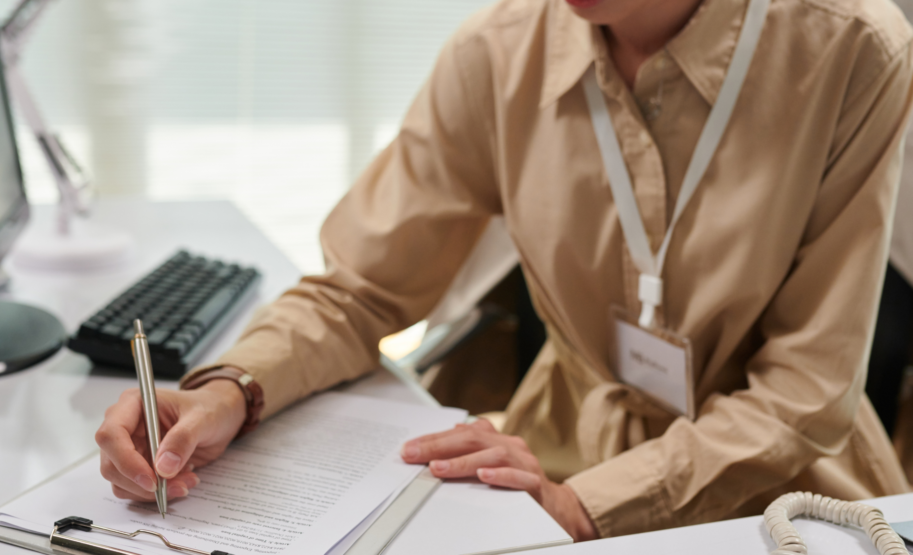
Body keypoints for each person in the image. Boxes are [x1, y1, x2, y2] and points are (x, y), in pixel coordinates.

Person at [94, 0, 913, 541]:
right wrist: (232, 387)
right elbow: (360, 290)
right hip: (552, 462)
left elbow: (803, 392)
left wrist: (582, 503)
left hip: (780, 494)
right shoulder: (498, 51)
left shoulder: (852, 49)